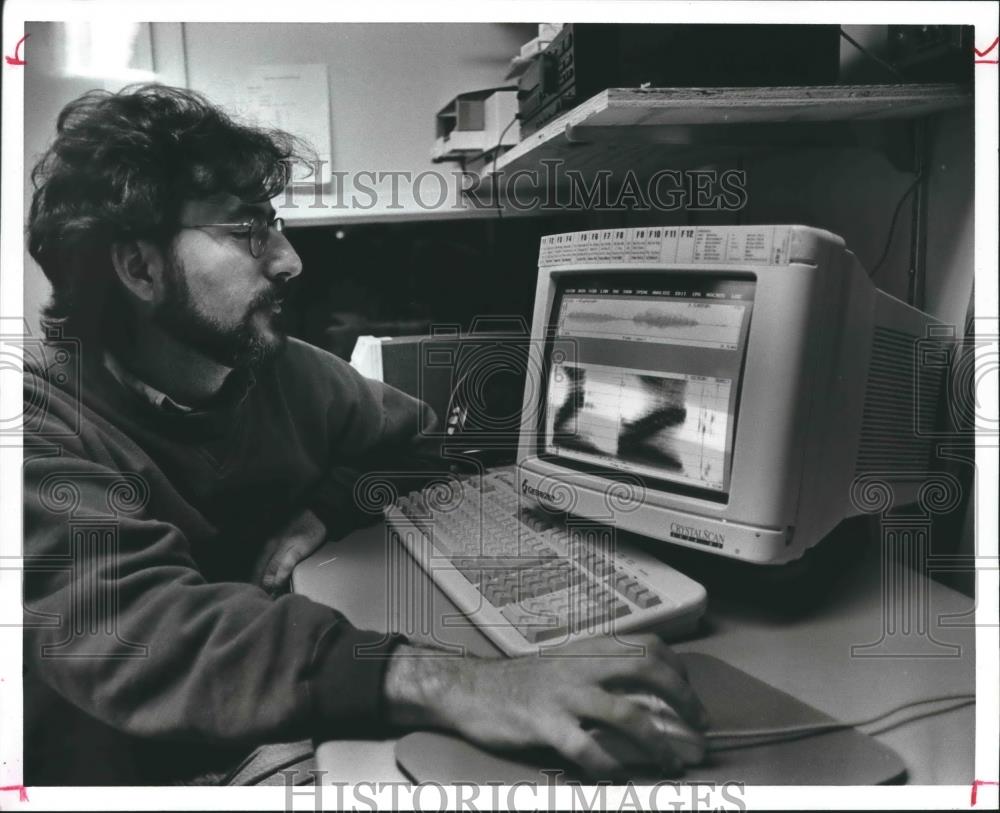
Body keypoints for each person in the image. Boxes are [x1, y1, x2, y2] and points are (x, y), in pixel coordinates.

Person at [22, 84, 708, 786]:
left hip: (281, 712)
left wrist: (328, 505)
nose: (289, 261)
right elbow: (138, 631)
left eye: (276, 223)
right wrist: (456, 683)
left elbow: (421, 448)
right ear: (139, 268)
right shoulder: (34, 423)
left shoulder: (279, 372)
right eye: (247, 229)